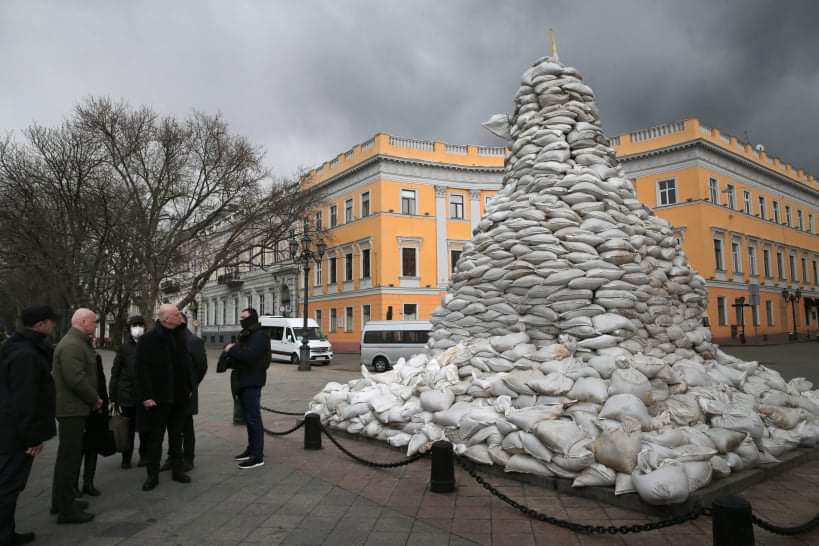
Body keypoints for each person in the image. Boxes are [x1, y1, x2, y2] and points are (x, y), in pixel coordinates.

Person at [0, 305, 59, 546]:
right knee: (10, 483)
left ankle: (7, 530)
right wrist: (32, 437)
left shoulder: (16, 346)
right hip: (15, 432)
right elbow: (25, 399)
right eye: (51, 322)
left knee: (9, 482)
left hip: (10, 427)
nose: (54, 325)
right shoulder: (27, 354)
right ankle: (4, 534)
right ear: (40, 325)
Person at [136, 304, 193, 491]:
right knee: (155, 438)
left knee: (177, 436)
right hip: (158, 398)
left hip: (179, 396)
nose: (180, 317)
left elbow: (187, 365)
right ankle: (152, 476)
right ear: (166, 319)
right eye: (177, 315)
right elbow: (141, 370)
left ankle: (178, 470)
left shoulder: (180, 336)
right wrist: (146, 396)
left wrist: (189, 387)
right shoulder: (148, 340)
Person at [51, 308, 101, 524]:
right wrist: (95, 399)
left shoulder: (79, 341)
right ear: (82, 321)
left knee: (68, 457)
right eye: (93, 322)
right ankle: (66, 509)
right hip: (72, 409)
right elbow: (76, 379)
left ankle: (63, 500)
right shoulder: (72, 344)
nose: (95, 325)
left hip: (75, 408)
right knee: (69, 459)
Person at [223, 308, 270, 470]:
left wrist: (232, 349)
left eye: (244, 317)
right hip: (243, 380)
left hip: (252, 380)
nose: (241, 320)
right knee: (248, 419)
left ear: (252, 318)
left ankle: (257, 456)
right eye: (240, 317)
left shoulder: (259, 336)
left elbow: (249, 356)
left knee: (253, 419)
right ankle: (251, 449)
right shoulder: (247, 334)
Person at [160, 312, 207, 473]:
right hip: (169, 390)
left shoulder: (193, 341)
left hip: (186, 391)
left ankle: (188, 458)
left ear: (181, 322)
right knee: (171, 426)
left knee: (186, 425)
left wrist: (192, 384)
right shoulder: (168, 339)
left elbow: (202, 366)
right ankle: (173, 456)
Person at [109, 315, 148, 469]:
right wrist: (113, 396)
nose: (137, 328)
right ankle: (126, 457)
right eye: (134, 325)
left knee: (145, 428)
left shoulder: (149, 346)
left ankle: (144, 456)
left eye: (140, 325)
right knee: (128, 429)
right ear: (130, 328)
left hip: (145, 395)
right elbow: (115, 372)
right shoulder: (124, 348)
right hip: (127, 395)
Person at [77, 352, 108, 497]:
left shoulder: (96, 357)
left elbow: (101, 382)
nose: (94, 340)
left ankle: (88, 483)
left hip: (98, 409)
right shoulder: (77, 355)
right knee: (78, 450)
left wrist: (105, 405)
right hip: (81, 408)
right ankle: (72, 486)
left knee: (93, 447)